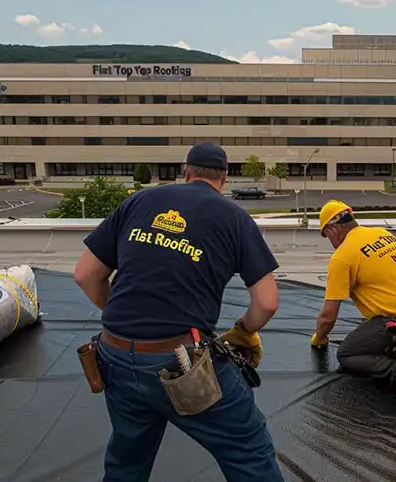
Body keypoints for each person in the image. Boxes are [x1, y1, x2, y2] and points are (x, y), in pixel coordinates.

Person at [73, 142, 285, 482]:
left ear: (187, 173)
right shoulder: (234, 217)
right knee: (248, 448)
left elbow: (85, 275)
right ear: (223, 178)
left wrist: (126, 326)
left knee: (128, 459)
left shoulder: (140, 201)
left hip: (113, 356)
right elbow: (267, 302)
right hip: (180, 361)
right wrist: (244, 331)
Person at [310, 199, 396, 396]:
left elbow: (328, 316)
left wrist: (319, 338)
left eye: (327, 235)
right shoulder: (381, 234)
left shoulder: (342, 257)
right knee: (369, 325)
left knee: (347, 354)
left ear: (333, 230)